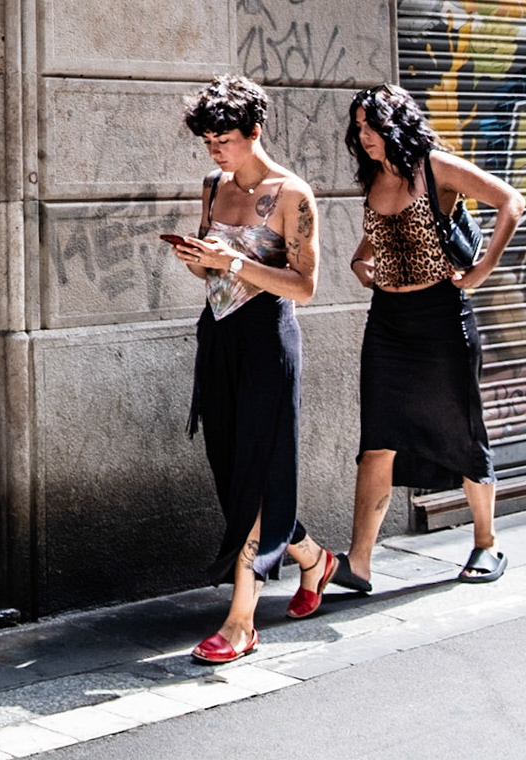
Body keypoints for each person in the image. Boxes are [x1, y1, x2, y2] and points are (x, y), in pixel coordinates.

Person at [168, 75, 337, 664]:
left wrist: (234, 261)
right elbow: (214, 274)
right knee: (231, 472)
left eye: (225, 140)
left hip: (268, 341)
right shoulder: (213, 186)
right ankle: (313, 559)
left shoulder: (293, 195)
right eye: (208, 141)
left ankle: (241, 622)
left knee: (260, 476)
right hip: (218, 338)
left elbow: (306, 286)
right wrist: (200, 260)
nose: (216, 151)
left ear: (255, 132)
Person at [333, 84, 526, 594]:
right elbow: (380, 232)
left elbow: (512, 202)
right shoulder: (374, 175)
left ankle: (487, 543)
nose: (363, 136)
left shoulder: (435, 166)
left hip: (442, 321)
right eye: (357, 127)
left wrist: (483, 269)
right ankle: (359, 562)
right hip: (388, 324)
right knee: (377, 441)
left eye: (370, 126)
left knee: (462, 434)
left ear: (394, 124)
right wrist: (360, 260)